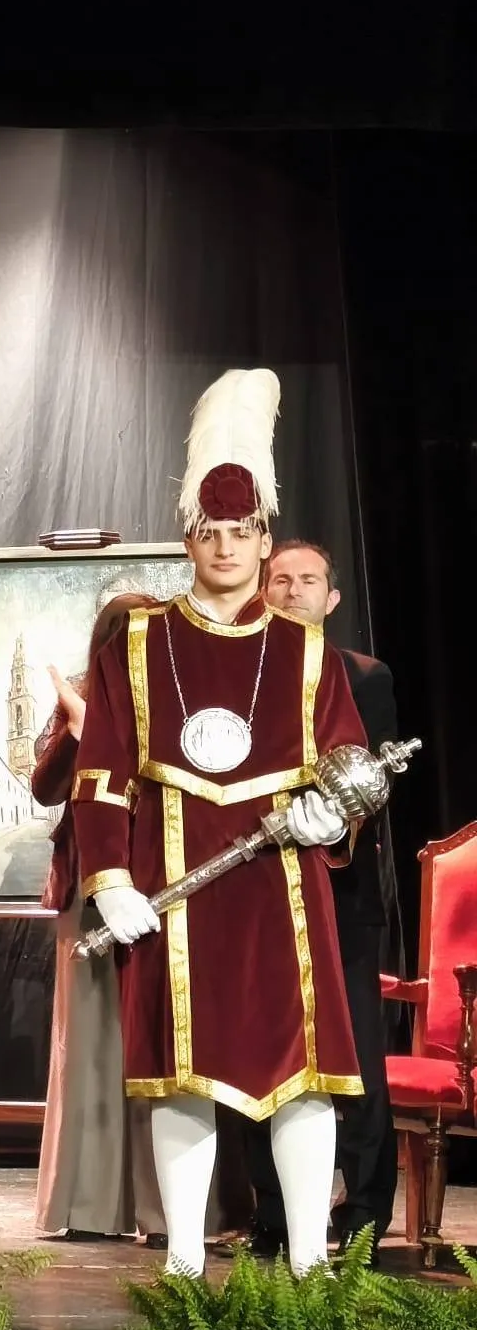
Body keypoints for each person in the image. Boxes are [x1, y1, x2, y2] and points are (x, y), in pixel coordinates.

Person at [74, 368, 364, 1279]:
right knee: (180, 1075)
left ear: (265, 536)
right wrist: (111, 881)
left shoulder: (306, 647)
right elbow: (103, 773)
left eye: (245, 531)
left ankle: (312, 1266)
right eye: (212, 530)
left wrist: (337, 809)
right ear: (187, 537)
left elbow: (352, 758)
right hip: (175, 890)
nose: (229, 546)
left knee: (305, 1074)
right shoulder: (137, 639)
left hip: (285, 892)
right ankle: (187, 1261)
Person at [230, 539, 401, 1260]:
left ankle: (362, 1216)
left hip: (342, 895)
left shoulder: (364, 676)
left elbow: (377, 781)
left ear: (331, 598)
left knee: (356, 1058)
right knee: (254, 1054)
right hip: (258, 896)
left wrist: (330, 819)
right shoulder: (239, 677)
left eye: (308, 581)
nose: (293, 590)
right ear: (262, 592)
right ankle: (271, 1212)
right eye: (280, 580)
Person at [32, 593, 169, 1244]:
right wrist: (82, 733)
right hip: (90, 888)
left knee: (162, 1043)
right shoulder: (80, 697)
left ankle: (169, 1207)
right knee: (91, 1050)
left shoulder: (176, 692)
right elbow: (45, 787)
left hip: (166, 890)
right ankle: (90, 1206)